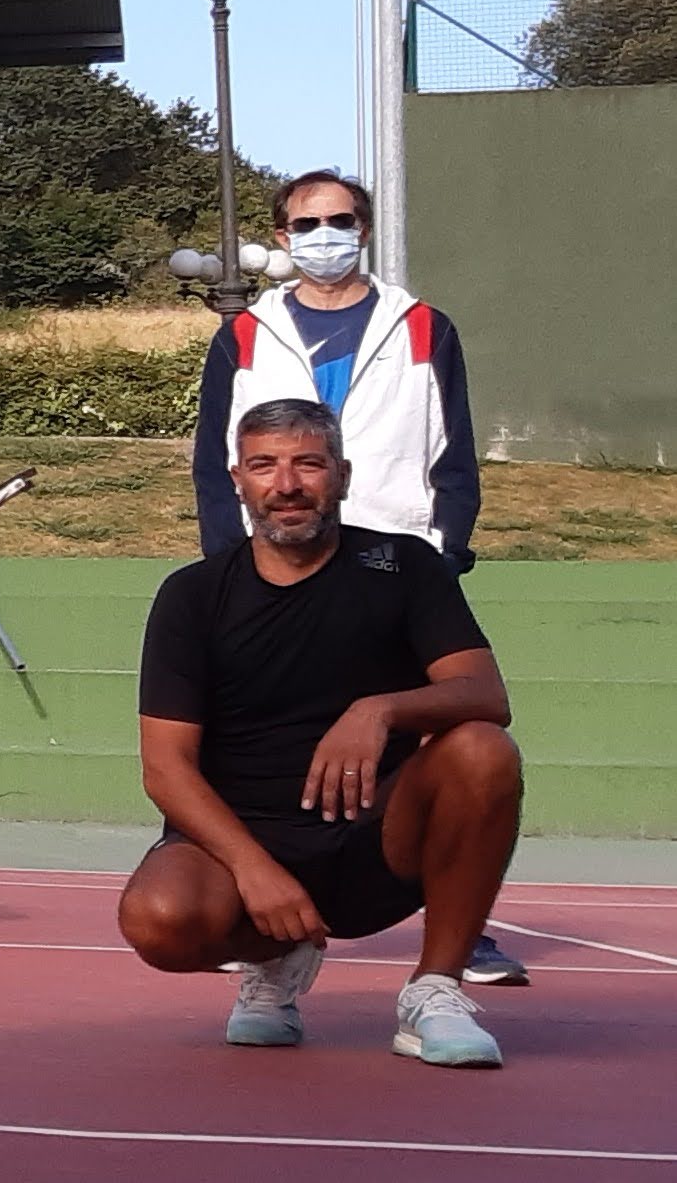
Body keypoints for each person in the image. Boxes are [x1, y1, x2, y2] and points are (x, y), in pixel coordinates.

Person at [189, 170, 523, 985]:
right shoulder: (242, 334)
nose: (324, 236)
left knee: (443, 746)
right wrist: (228, 566)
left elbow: (452, 449)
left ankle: (456, 933)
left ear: (364, 229)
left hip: (390, 564)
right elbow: (211, 463)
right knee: (269, 743)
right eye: (307, 224)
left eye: (340, 220)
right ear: (281, 238)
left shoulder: (419, 326)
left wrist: (437, 560)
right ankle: (270, 914)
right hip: (277, 563)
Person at [119, 398, 524, 1068]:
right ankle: (276, 954)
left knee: (482, 749)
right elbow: (164, 767)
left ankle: (435, 991)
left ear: (340, 472)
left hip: (376, 836)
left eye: (306, 463)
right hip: (241, 844)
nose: (285, 484)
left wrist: (380, 709)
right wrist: (254, 868)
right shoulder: (191, 595)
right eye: (264, 466)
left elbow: (485, 694)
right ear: (236, 479)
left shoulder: (403, 566)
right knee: (157, 920)